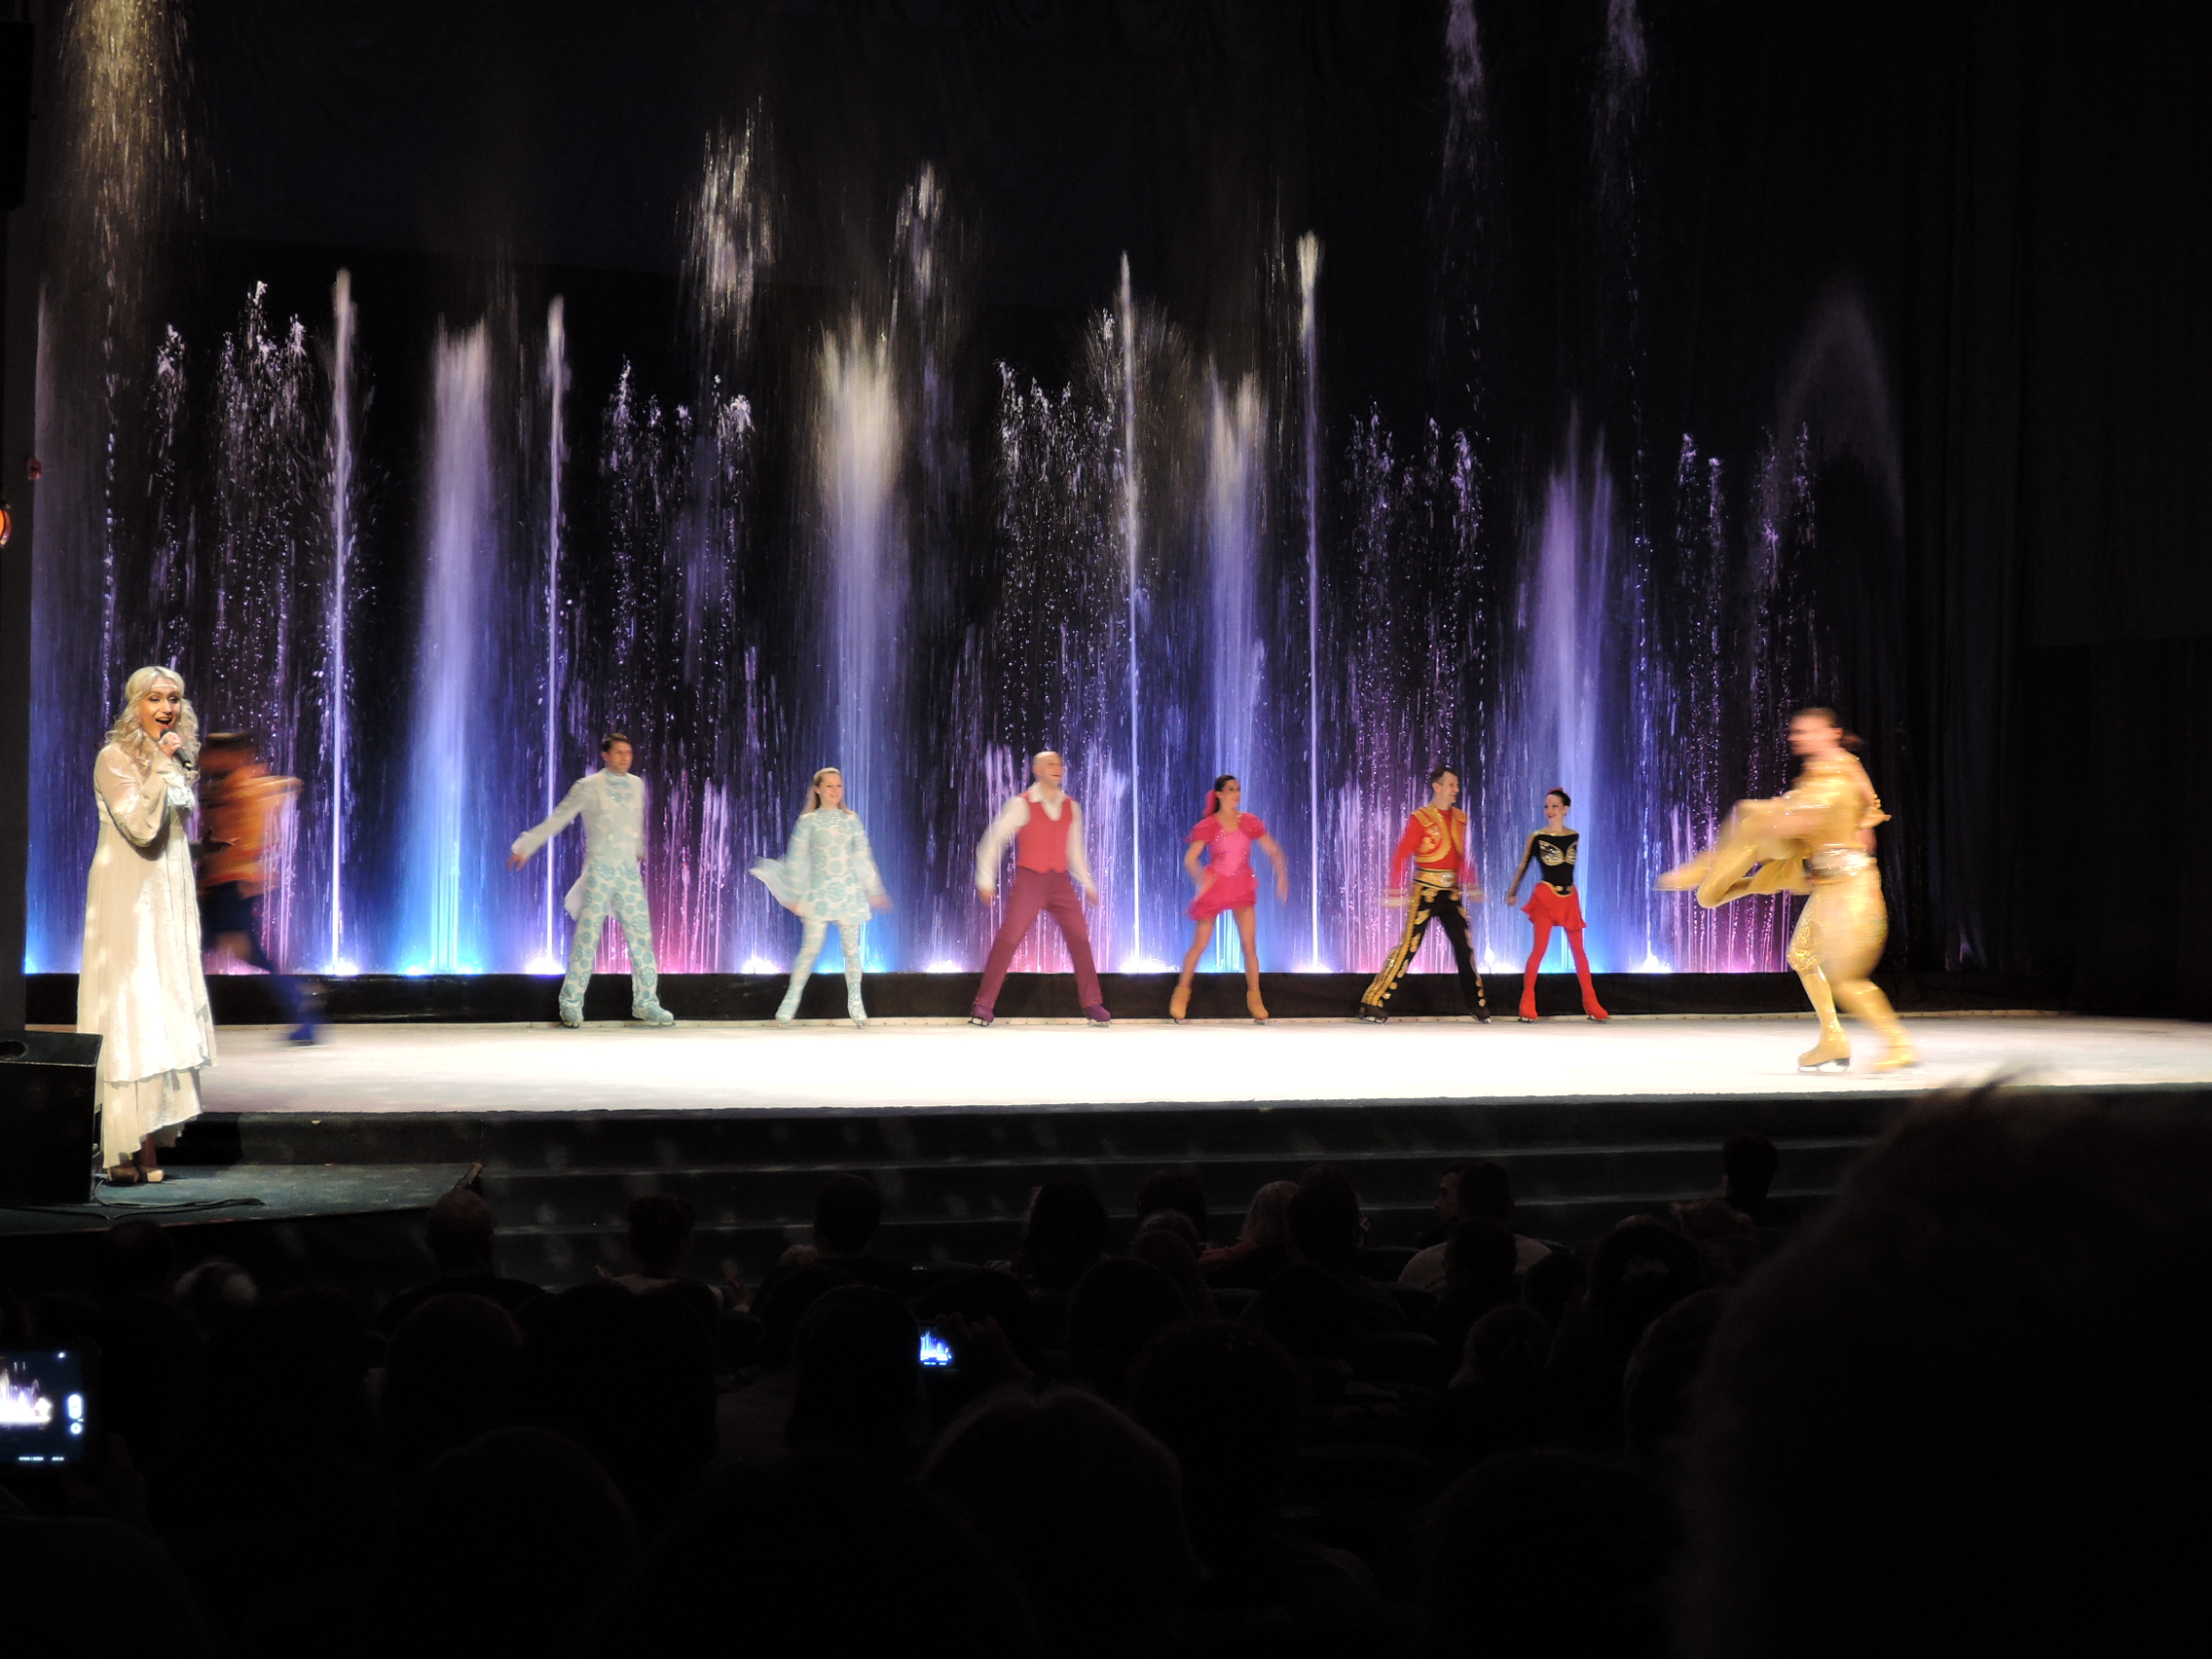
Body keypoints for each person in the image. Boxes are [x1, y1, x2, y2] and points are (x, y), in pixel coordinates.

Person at [1658, 707, 1912, 1070]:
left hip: (1850, 889)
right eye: (1795, 732)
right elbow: (1857, 819)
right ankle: (1833, 1039)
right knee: (1802, 955)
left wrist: (1767, 826)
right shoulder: (1832, 769)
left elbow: (1813, 821)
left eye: (1806, 731)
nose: (1796, 737)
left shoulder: (1835, 773)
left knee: (1845, 979)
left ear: (1832, 733)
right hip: (1831, 882)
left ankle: (1898, 1045)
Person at [80, 666, 216, 1186]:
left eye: (174, 698)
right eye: (155, 698)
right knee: (129, 1008)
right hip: (128, 899)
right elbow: (138, 827)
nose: (166, 708)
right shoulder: (113, 758)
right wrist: (162, 764)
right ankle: (119, 1144)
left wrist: (196, 849)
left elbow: (167, 833)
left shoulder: (173, 761)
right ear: (135, 704)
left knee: (161, 1006)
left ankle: (148, 1143)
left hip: (165, 898)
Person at [508, 732, 675, 1030]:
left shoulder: (636, 784)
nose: (625, 758)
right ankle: (571, 1003)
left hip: (627, 873)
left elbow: (635, 822)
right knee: (587, 939)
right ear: (605, 756)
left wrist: (639, 848)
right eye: (619, 752)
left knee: (642, 938)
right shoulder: (588, 786)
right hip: (599, 872)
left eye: (628, 753)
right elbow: (559, 818)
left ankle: (646, 1002)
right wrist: (526, 846)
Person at [971, 750, 1109, 1026]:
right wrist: (985, 880)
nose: (1057, 767)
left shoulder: (1071, 806)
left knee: (1080, 937)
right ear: (1037, 770)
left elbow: (1075, 851)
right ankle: (983, 1004)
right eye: (1050, 763)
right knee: (1009, 938)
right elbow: (994, 840)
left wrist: (1087, 883)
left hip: (1060, 882)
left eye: (1059, 763)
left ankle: (1092, 1002)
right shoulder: (1022, 804)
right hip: (1030, 880)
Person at [195, 732, 316, 1043]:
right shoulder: (232, 784)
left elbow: (250, 834)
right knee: (202, 948)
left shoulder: (241, 786)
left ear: (231, 755)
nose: (204, 758)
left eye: (212, 752)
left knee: (233, 950)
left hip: (230, 886)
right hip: (221, 885)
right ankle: (300, 1006)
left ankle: (300, 1005)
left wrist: (249, 872)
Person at [751, 766, 892, 1027]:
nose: (835, 791)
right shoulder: (809, 822)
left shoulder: (851, 820)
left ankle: (856, 1001)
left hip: (848, 891)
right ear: (817, 789)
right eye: (829, 786)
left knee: (851, 951)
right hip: (819, 891)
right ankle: (791, 999)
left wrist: (874, 889)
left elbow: (863, 855)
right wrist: (794, 893)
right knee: (810, 948)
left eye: (839, 786)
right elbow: (796, 858)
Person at [1358, 765, 1491, 1023]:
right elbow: (1401, 854)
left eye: (1457, 785)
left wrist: (1471, 883)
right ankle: (1372, 1002)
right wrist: (1395, 889)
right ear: (1437, 787)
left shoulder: (1460, 818)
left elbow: (1460, 856)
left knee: (1464, 947)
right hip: (1426, 891)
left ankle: (1476, 1003)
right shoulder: (1421, 818)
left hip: (1451, 892)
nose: (1456, 790)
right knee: (1409, 946)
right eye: (1451, 785)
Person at [1169, 774, 1291, 1024]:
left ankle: (1255, 998)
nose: (1236, 793)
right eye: (1231, 789)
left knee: (1249, 945)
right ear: (1219, 794)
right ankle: (1181, 994)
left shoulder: (1248, 822)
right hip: (1216, 887)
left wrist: (1282, 876)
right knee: (1200, 944)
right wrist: (1201, 878)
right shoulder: (1209, 825)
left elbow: (1274, 850)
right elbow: (1190, 858)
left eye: (1238, 789)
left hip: (1242, 886)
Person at [1502, 787, 1608, 1022]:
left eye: (1554, 806)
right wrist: (1513, 892)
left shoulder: (1574, 836)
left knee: (1579, 952)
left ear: (1565, 809)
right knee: (1539, 950)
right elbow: (1523, 865)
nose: (1549, 810)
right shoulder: (1538, 837)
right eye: (1547, 806)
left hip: (1569, 898)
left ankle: (1592, 1003)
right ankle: (1527, 1004)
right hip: (1545, 898)